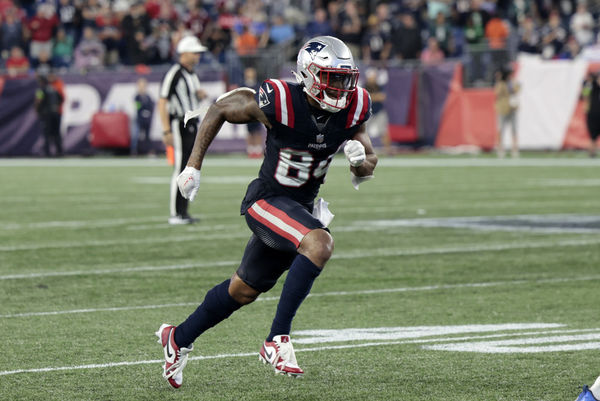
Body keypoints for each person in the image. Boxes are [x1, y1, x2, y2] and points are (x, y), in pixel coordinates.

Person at [155, 35, 377, 389]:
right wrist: (193, 166)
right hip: (267, 200)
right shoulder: (282, 99)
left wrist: (360, 162)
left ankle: (177, 338)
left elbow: (369, 162)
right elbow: (220, 108)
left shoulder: (355, 106)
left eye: (345, 78)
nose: (341, 87)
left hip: (299, 209)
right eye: (332, 78)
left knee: (242, 290)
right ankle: (277, 339)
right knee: (319, 243)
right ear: (308, 74)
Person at [158, 35, 208, 225]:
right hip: (180, 124)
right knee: (180, 168)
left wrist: (200, 94)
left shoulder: (191, 74)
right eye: (195, 53)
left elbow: (192, 96)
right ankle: (176, 214)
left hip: (193, 123)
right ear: (184, 53)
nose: (198, 56)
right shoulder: (175, 72)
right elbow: (162, 101)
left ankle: (183, 212)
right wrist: (165, 130)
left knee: (189, 168)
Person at [494, 66, 520, 158]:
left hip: (512, 108)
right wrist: (500, 80)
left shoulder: (512, 82)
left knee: (514, 129)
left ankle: (515, 149)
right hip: (502, 108)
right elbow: (497, 92)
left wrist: (510, 84)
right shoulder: (500, 83)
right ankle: (500, 149)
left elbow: (517, 89)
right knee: (501, 129)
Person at [35, 74, 64, 157]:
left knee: (47, 133)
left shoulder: (41, 90)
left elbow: (38, 100)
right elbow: (61, 99)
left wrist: (37, 111)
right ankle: (59, 151)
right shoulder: (54, 88)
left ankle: (47, 152)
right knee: (57, 133)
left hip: (46, 114)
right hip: (56, 113)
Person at [132, 77, 155, 155]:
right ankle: (134, 151)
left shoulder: (148, 97)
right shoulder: (137, 97)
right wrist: (142, 112)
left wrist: (148, 113)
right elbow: (138, 107)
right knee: (136, 135)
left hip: (147, 119)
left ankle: (149, 151)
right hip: (139, 119)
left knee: (147, 136)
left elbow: (151, 106)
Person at [583, 72, 600, 158]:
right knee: (593, 136)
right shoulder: (591, 86)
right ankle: (591, 153)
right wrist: (589, 81)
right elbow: (585, 94)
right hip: (593, 114)